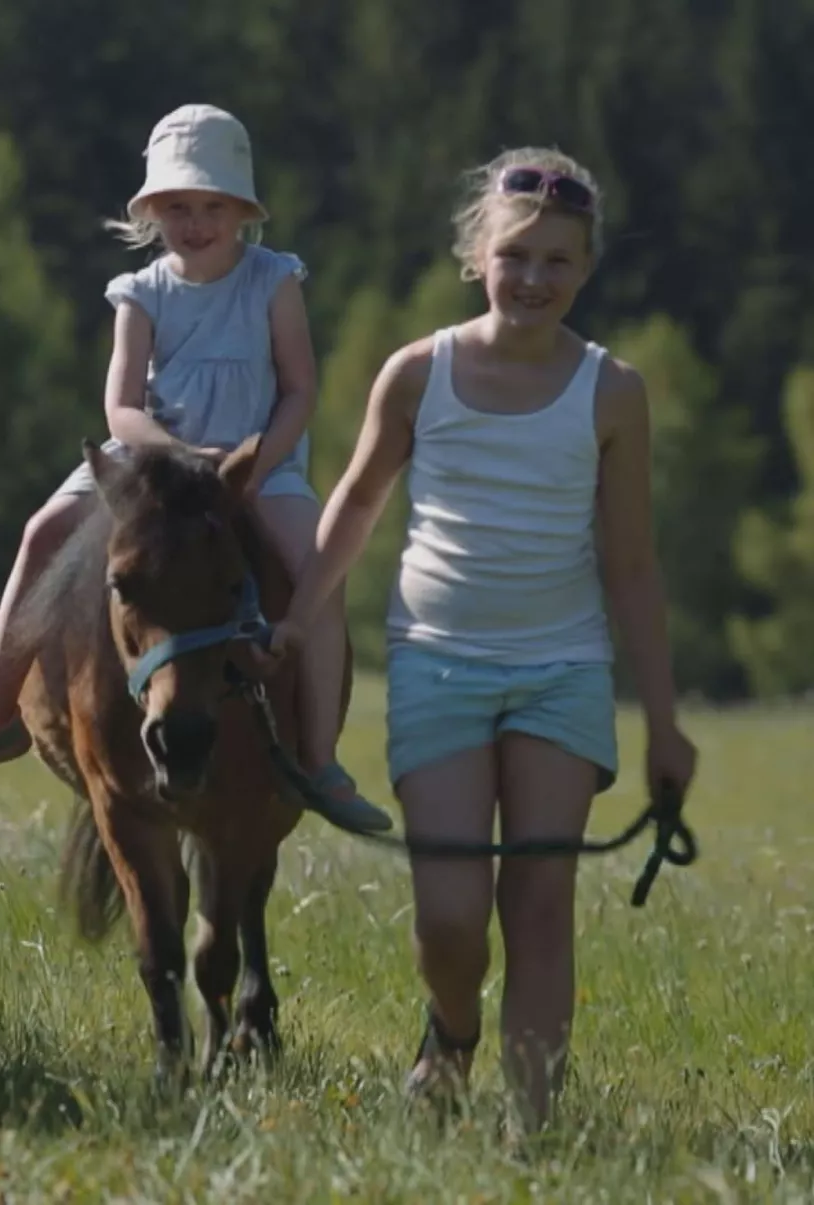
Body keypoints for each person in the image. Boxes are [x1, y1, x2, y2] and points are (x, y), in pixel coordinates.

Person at [265, 148, 698, 1132]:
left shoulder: (612, 392)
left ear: (585, 269)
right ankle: (451, 1031)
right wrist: (297, 617)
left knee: (539, 905)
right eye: (516, 255)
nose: (535, 278)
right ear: (476, 255)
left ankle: (530, 1136)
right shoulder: (419, 374)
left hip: (562, 670)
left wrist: (665, 725)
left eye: (558, 260)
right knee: (450, 919)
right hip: (438, 663)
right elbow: (356, 503)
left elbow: (631, 566)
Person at [0, 103, 390, 834]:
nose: (195, 222)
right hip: (152, 469)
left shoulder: (273, 280)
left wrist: (255, 464)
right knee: (43, 532)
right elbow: (121, 408)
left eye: (211, 206)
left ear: (241, 209)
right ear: (151, 211)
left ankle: (320, 761)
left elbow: (300, 388)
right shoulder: (139, 293)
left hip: (256, 464)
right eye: (177, 207)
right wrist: (175, 454)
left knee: (319, 572)